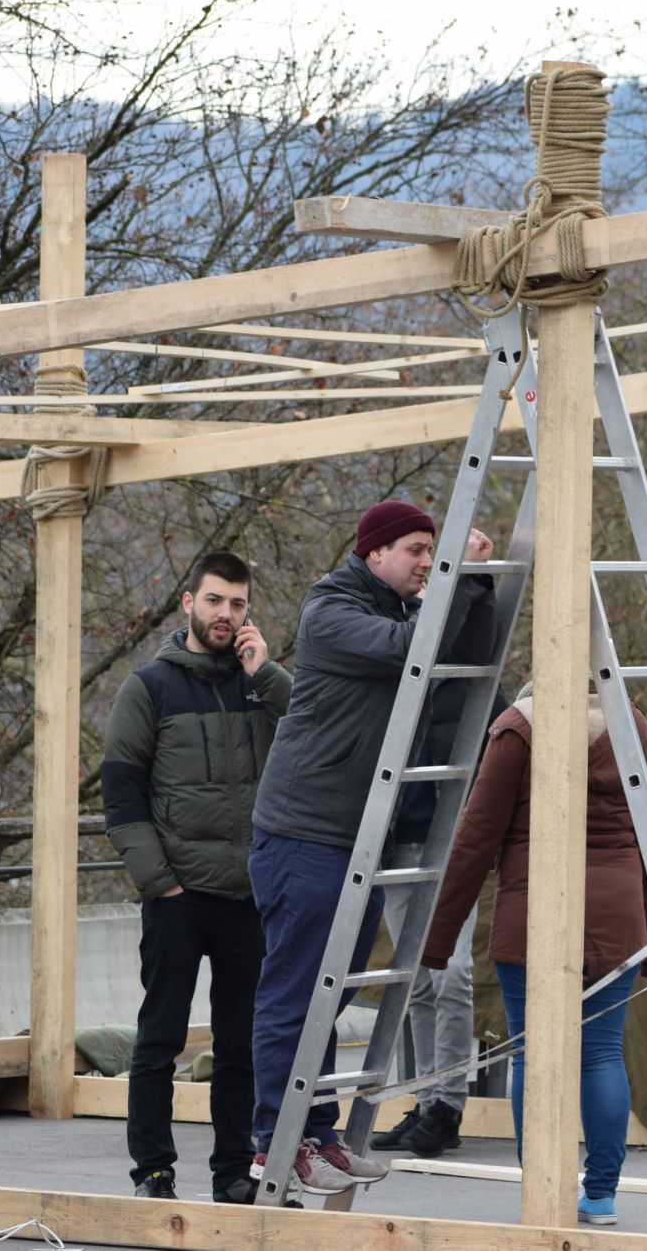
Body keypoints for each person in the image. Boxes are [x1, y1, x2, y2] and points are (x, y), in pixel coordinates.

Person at [248, 500, 497, 1198]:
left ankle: (316, 1131)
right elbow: (414, 650)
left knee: (332, 992)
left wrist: (475, 583)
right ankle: (273, 1143)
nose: (426, 562)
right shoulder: (331, 610)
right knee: (296, 993)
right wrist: (455, 578)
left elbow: (469, 655)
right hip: (304, 831)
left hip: (357, 837)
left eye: (431, 551)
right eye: (416, 549)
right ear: (375, 551)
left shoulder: (396, 607)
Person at [423, 683, 647, 1227]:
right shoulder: (634, 725)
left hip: (534, 908)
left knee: (530, 1056)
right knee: (601, 1054)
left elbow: (476, 838)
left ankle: (540, 1191)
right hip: (617, 914)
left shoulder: (517, 728)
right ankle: (600, 1194)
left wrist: (437, 938)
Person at [101, 551, 291, 1204]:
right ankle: (153, 1171)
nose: (225, 613)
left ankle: (233, 1175)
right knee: (160, 1040)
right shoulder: (148, 687)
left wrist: (267, 673)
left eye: (237, 603)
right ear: (188, 603)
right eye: (214, 600)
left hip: (248, 897)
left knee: (243, 1046)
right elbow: (121, 794)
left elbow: (314, 729)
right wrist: (160, 882)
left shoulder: (259, 684)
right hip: (178, 896)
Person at [372, 675, 509, 1158]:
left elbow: (507, 757)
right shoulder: (387, 678)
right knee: (414, 983)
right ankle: (427, 1103)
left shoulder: (476, 683)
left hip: (453, 848)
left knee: (452, 974)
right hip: (397, 846)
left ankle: (448, 1106)